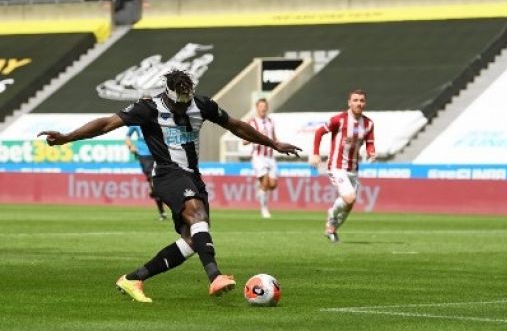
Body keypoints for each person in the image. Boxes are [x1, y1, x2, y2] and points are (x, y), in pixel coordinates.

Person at [38, 70, 301, 303]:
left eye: (187, 100)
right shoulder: (148, 108)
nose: (183, 106)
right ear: (169, 94)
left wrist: (274, 144)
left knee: (192, 239)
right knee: (197, 215)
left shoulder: (202, 105)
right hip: (166, 174)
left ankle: (133, 278)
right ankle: (215, 276)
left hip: (192, 176)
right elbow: (107, 123)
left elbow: (236, 126)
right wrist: (67, 138)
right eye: (179, 102)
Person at [310, 89, 375, 243]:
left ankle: (331, 229)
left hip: (353, 169)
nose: (359, 103)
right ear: (349, 102)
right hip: (336, 167)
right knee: (350, 197)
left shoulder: (368, 123)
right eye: (356, 100)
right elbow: (319, 132)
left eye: (361, 100)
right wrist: (315, 153)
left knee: (349, 204)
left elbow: (370, 143)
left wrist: (371, 151)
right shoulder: (339, 120)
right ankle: (331, 214)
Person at [243, 98, 277, 219]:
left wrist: (278, 146)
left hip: (270, 156)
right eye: (261, 106)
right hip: (258, 156)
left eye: (264, 106)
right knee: (265, 182)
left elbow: (274, 138)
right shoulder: (252, 122)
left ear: (267, 108)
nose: (263, 108)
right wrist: (256, 137)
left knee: (273, 185)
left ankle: (261, 192)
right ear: (257, 108)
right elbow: (244, 141)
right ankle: (264, 209)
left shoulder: (271, 122)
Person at [125, 125, 167, 220]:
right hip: (144, 156)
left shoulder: (157, 119)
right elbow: (127, 136)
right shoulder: (136, 122)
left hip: (157, 153)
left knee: (158, 182)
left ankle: (153, 190)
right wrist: (130, 146)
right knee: (153, 181)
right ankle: (162, 212)